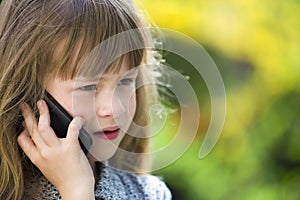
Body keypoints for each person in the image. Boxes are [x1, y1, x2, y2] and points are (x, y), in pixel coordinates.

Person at [0, 0, 172, 199]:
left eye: (125, 82)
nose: (114, 108)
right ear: (28, 94)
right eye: (88, 87)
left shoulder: (149, 194)